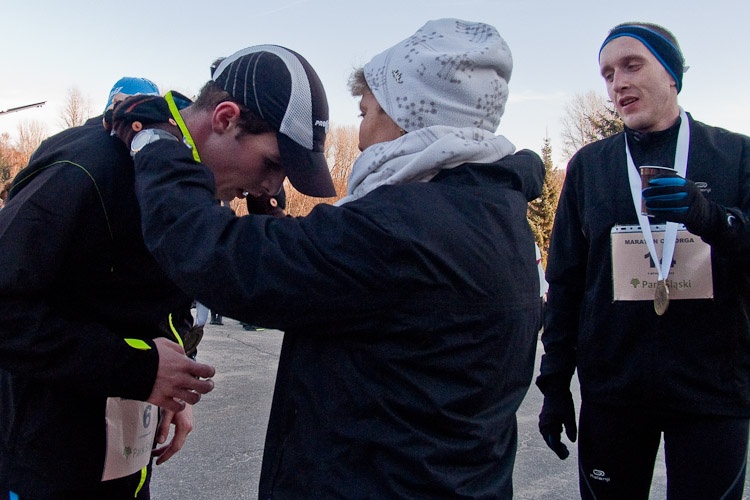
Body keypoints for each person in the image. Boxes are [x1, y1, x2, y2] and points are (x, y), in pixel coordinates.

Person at [113, 19, 544, 498]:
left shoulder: (402, 230)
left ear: (407, 114)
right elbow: (355, 284)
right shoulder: (494, 216)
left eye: (366, 111)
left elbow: (213, 255)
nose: (360, 138)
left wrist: (156, 145)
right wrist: (274, 221)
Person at [0, 42, 333, 500]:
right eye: (273, 164)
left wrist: (168, 384)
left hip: (123, 460)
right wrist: (139, 370)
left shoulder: (188, 184)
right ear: (225, 118)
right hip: (43, 463)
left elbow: (145, 306)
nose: (269, 187)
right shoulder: (89, 166)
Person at [536, 22, 750, 500]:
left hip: (712, 391)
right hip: (615, 392)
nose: (618, 83)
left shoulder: (735, 154)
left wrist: (712, 218)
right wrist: (554, 384)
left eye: (632, 65)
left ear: (672, 73)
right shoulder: (590, 166)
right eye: (608, 74)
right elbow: (566, 281)